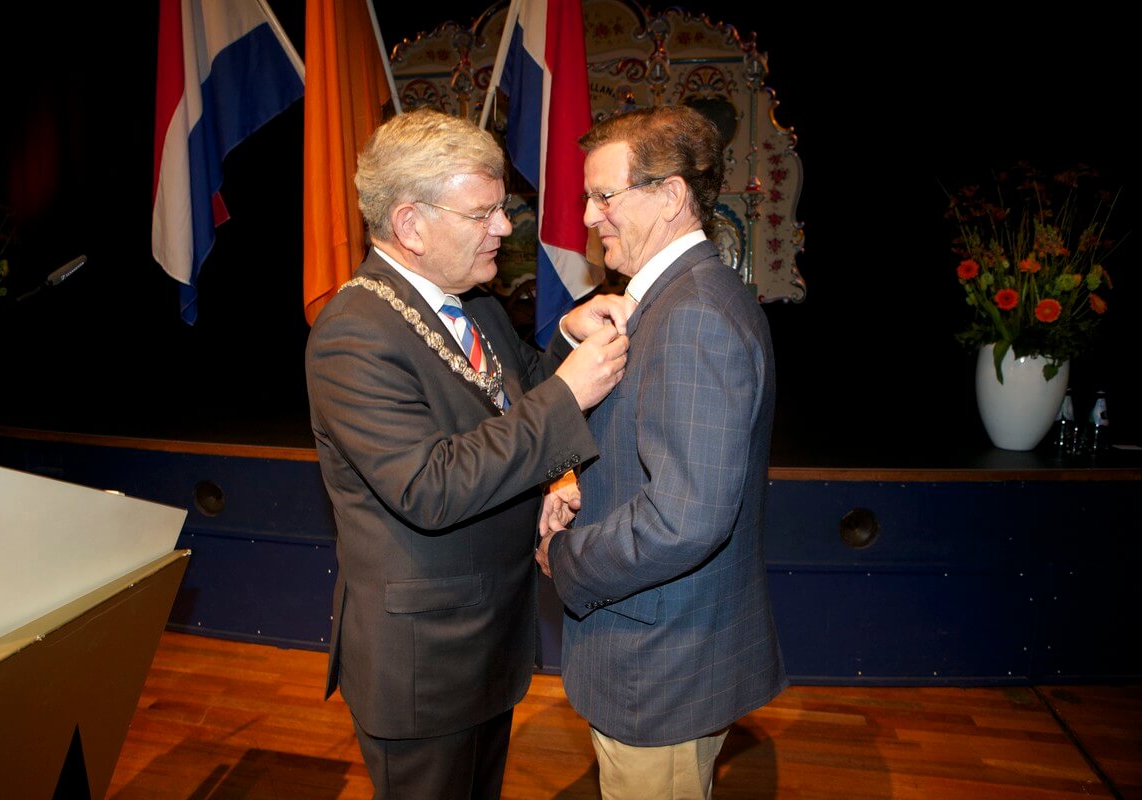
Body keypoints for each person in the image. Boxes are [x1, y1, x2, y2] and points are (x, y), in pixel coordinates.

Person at [305, 108, 632, 799]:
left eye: (502, 209)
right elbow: (431, 487)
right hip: (423, 666)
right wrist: (567, 395)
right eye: (482, 213)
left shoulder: (472, 305)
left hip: (484, 638)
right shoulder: (352, 336)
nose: (505, 228)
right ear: (411, 225)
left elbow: (517, 406)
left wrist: (567, 345)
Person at [536, 104, 788, 799]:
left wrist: (567, 556)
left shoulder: (692, 314)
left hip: (659, 665)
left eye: (603, 196)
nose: (588, 217)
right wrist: (582, 486)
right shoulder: (677, 299)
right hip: (667, 647)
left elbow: (685, 517)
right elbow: (654, 452)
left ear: (672, 195)